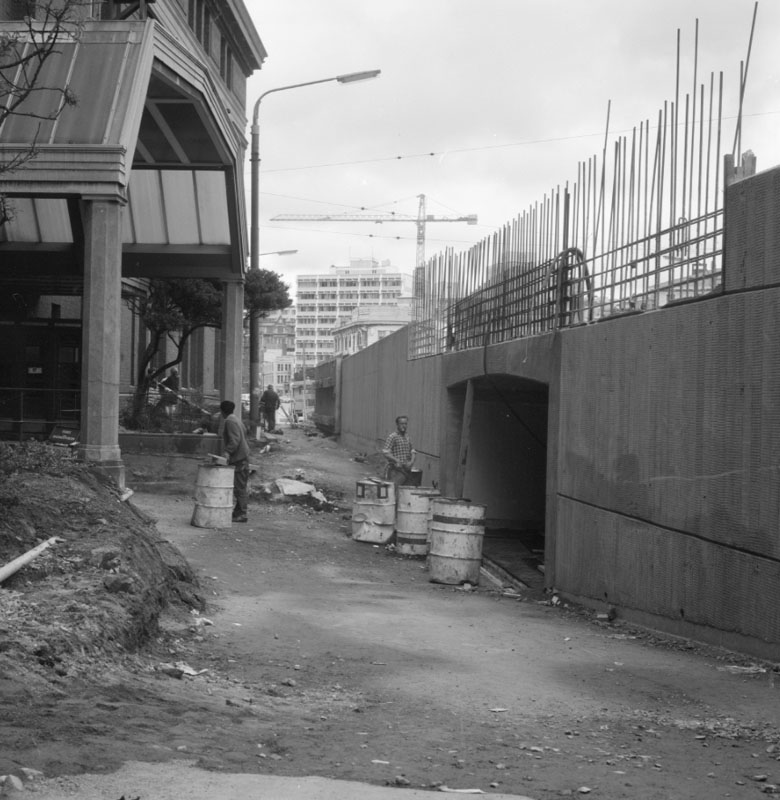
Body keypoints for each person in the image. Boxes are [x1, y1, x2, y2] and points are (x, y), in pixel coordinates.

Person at [219, 400, 250, 523]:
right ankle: (237, 512)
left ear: (222, 411)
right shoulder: (236, 419)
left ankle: (242, 513)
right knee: (239, 486)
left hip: (239, 459)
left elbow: (234, 440)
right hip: (242, 457)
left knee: (239, 487)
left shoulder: (230, 421)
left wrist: (227, 452)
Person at [382, 415, 417, 485]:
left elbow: (413, 451)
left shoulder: (407, 437)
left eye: (405, 424)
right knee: (394, 490)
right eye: (401, 424)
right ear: (397, 425)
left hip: (407, 470)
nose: (404, 426)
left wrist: (411, 462)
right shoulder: (393, 437)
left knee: (405, 491)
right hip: (396, 471)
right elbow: (386, 453)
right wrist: (397, 461)